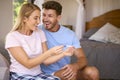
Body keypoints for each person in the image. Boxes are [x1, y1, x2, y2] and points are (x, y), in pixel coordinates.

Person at [5, 3, 75, 80]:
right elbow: (28, 64)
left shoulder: (39, 33)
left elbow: (46, 61)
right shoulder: (12, 37)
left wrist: (64, 53)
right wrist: (50, 52)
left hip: (38, 74)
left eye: (39, 18)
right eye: (35, 18)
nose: (39, 22)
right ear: (25, 19)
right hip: (20, 74)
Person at [39, 1, 99, 80]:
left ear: (58, 17)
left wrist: (75, 66)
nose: (45, 19)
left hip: (64, 70)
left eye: (50, 16)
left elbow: (82, 58)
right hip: (46, 73)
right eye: (44, 15)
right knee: (68, 75)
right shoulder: (38, 30)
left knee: (93, 72)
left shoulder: (70, 34)